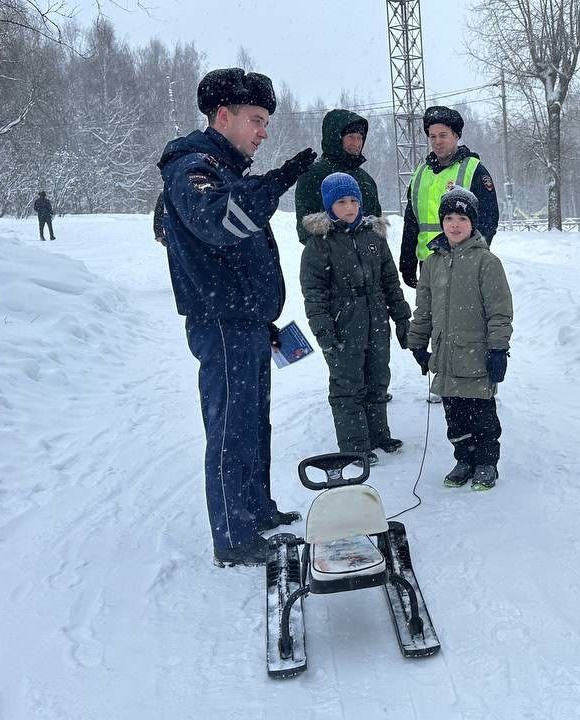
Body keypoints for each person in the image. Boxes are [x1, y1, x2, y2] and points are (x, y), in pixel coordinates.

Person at [157, 66, 316, 567]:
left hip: (245, 320)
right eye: (256, 120)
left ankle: (256, 509)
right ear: (223, 116)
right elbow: (220, 221)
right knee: (232, 428)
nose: (263, 132)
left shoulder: (226, 171)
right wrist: (275, 183)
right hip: (222, 322)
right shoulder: (193, 168)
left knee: (253, 422)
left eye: (266, 121)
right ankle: (234, 535)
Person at [299, 173, 412, 464]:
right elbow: (314, 293)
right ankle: (354, 445)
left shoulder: (374, 236)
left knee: (378, 377)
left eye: (353, 200)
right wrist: (324, 330)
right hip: (343, 324)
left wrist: (402, 318)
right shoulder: (320, 243)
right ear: (329, 206)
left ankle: (378, 434)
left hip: (376, 321)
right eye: (341, 202)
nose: (349, 207)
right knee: (347, 385)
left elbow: (390, 281)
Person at [407, 188, 512, 491]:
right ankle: (464, 459)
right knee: (454, 416)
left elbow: (499, 312)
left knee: (482, 416)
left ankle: (486, 463)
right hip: (445, 357)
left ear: (473, 223)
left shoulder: (486, 262)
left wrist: (498, 350)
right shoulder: (432, 262)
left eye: (462, 218)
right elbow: (424, 309)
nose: (454, 225)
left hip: (476, 357)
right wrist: (417, 344)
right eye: (449, 218)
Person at [398, 105, 499, 290]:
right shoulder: (420, 173)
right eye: (432, 136)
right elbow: (411, 220)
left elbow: (488, 219)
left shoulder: (474, 170)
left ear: (456, 136)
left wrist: (473, 257)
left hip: (462, 264)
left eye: (443, 135)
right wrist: (407, 260)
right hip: (428, 265)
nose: (437, 141)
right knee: (429, 309)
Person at [294, 109, 382, 245]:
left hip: (368, 256)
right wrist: (338, 249)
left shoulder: (366, 180)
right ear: (335, 138)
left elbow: (377, 226)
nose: (356, 143)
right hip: (328, 256)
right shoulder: (313, 174)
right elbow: (306, 226)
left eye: (360, 138)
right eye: (351, 137)